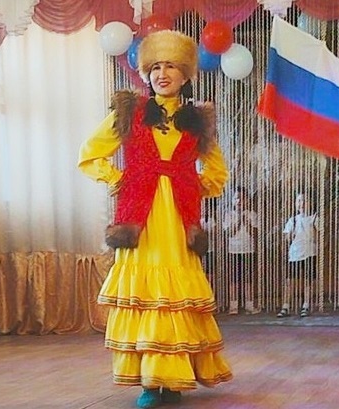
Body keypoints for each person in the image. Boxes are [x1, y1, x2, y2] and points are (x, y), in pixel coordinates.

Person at [78, 30, 232, 409]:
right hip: (139, 218)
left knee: (174, 299)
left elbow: (216, 173)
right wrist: (118, 179)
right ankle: (149, 381)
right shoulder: (129, 112)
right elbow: (90, 154)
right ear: (146, 72)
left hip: (177, 220)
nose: (163, 74)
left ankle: (173, 379)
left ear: (185, 75)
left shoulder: (197, 121)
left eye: (172, 67)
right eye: (156, 67)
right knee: (146, 296)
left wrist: (189, 186)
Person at [277, 192, 319, 318]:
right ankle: (285, 306)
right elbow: (287, 237)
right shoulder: (293, 220)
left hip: (310, 253)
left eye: (305, 200)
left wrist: (314, 227)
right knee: (289, 281)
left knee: (308, 280)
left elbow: (319, 237)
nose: (302, 204)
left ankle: (306, 305)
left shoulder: (314, 218)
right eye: (299, 201)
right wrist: (290, 236)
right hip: (295, 253)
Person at [222, 186, 260, 315]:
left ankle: (249, 305)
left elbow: (254, 233)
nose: (239, 201)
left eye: (242, 198)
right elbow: (229, 233)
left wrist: (246, 222)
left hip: (248, 250)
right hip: (233, 250)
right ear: (233, 200)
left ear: (247, 200)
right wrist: (238, 221)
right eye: (237, 198)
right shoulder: (228, 215)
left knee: (248, 278)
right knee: (233, 279)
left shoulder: (252, 214)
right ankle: (233, 306)